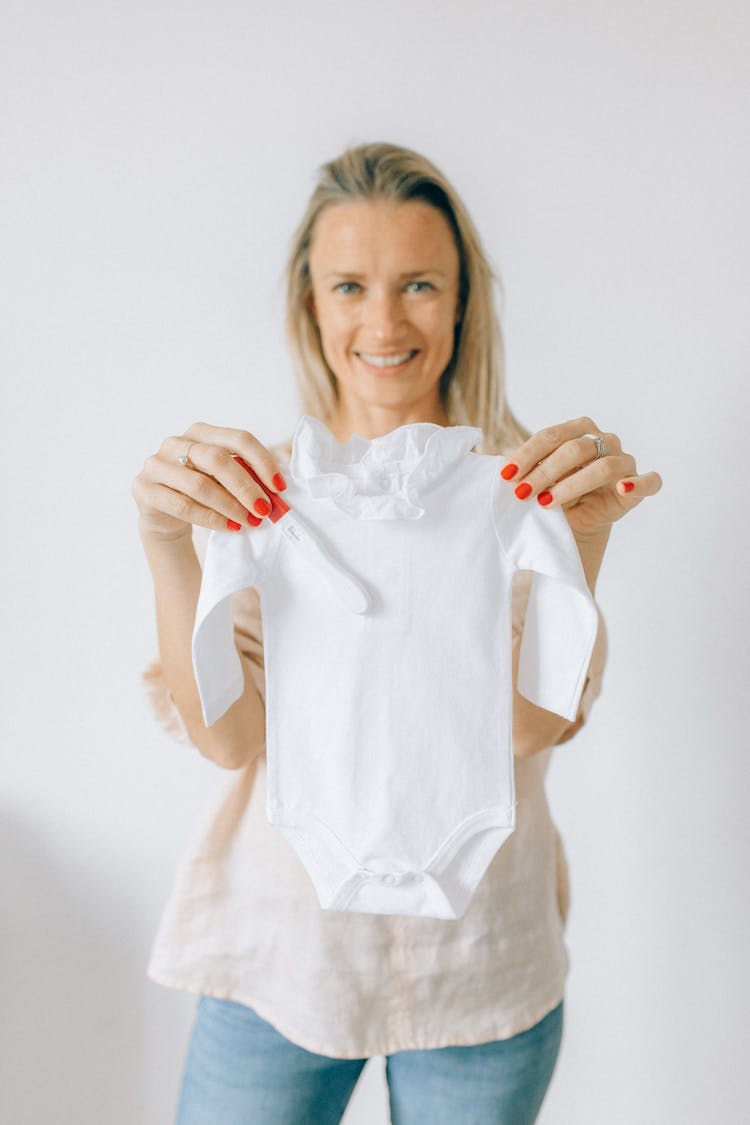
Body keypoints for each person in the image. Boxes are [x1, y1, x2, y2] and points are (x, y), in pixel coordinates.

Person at [131, 142, 662, 1125]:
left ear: (462, 304)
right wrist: (169, 545)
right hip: (283, 956)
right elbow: (228, 738)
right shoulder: (260, 499)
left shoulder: (523, 494)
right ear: (312, 306)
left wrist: (576, 550)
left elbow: (529, 727)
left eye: (419, 284)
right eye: (350, 286)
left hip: (483, 958)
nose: (383, 320)